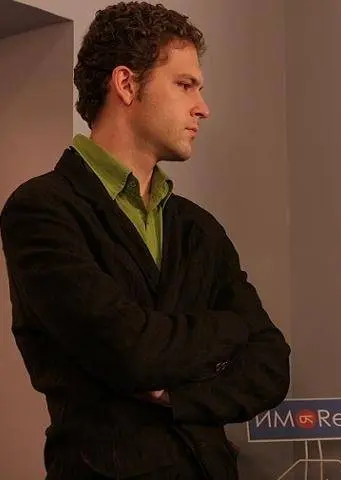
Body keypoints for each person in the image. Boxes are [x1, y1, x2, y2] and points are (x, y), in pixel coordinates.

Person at [0, 2, 291, 479]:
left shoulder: (198, 227)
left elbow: (272, 366)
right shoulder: (42, 210)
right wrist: (230, 327)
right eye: (185, 85)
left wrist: (176, 395)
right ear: (126, 84)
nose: (203, 107)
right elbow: (133, 352)